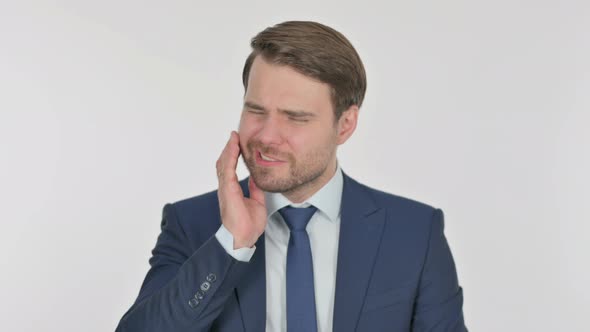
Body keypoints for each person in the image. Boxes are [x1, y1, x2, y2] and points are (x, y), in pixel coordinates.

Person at [115, 21, 467, 332]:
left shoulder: (415, 233)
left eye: (295, 118)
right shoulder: (192, 223)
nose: (267, 136)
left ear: (345, 124)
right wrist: (231, 245)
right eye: (255, 110)